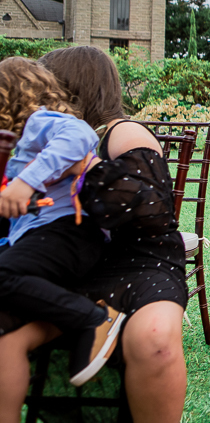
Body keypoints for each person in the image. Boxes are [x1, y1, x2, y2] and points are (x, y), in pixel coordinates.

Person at [0, 46, 189, 423]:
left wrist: (86, 166)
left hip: (139, 261)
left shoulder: (121, 132)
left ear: (68, 85)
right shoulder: (37, 141)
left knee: (154, 337)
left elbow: (152, 210)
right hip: (68, 260)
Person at [0, 57, 122, 395]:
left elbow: (77, 135)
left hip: (71, 232)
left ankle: (92, 318)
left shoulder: (41, 122)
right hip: (43, 238)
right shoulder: (18, 145)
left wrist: (26, 182)